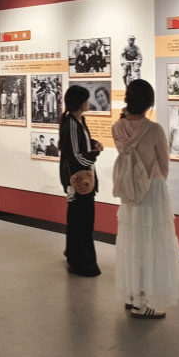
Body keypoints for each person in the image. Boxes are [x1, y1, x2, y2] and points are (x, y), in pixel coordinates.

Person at [112, 79, 179, 319]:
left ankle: (133, 295)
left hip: (129, 189)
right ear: (149, 102)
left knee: (133, 242)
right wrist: (156, 181)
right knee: (151, 244)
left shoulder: (118, 127)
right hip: (151, 190)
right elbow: (164, 164)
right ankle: (142, 304)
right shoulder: (154, 130)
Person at [59, 85, 103, 277]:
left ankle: (75, 255)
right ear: (80, 103)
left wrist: (93, 144)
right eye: (86, 99)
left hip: (84, 180)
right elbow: (75, 155)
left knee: (80, 221)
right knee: (81, 222)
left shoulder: (78, 121)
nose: (88, 102)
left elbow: (80, 143)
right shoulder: (71, 123)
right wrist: (94, 154)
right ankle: (81, 262)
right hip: (79, 182)